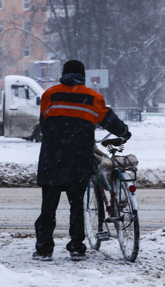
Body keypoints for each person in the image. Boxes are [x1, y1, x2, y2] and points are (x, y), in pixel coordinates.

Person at [33, 59, 131, 262]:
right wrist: (124, 132)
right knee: (77, 205)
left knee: (48, 206)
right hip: (78, 158)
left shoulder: (49, 94)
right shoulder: (93, 97)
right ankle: (77, 248)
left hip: (52, 157)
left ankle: (44, 249)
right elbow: (109, 120)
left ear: (63, 73)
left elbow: (44, 123)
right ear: (83, 76)